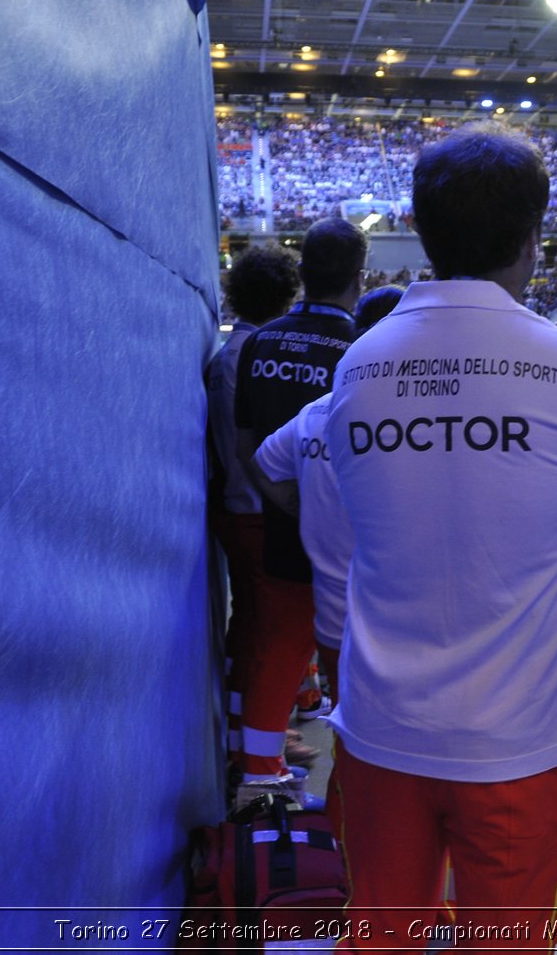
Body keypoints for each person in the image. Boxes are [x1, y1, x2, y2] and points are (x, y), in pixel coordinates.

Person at [326, 122, 557, 951]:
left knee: (380, 938)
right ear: (533, 240)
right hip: (520, 742)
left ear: (421, 233)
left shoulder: (355, 366)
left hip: (382, 727)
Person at [231, 217, 368, 792]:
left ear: (302, 273)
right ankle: (288, 771)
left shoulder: (259, 340)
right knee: (332, 659)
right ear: (358, 279)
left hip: (276, 523)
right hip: (343, 538)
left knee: (276, 644)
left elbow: (247, 447)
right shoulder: (362, 350)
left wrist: (290, 506)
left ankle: (258, 764)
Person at [204, 247, 303, 770]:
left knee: (250, 628)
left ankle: (245, 735)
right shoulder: (259, 353)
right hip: (256, 510)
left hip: (236, 507)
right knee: (278, 634)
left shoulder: (232, 352)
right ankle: (263, 766)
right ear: (285, 298)